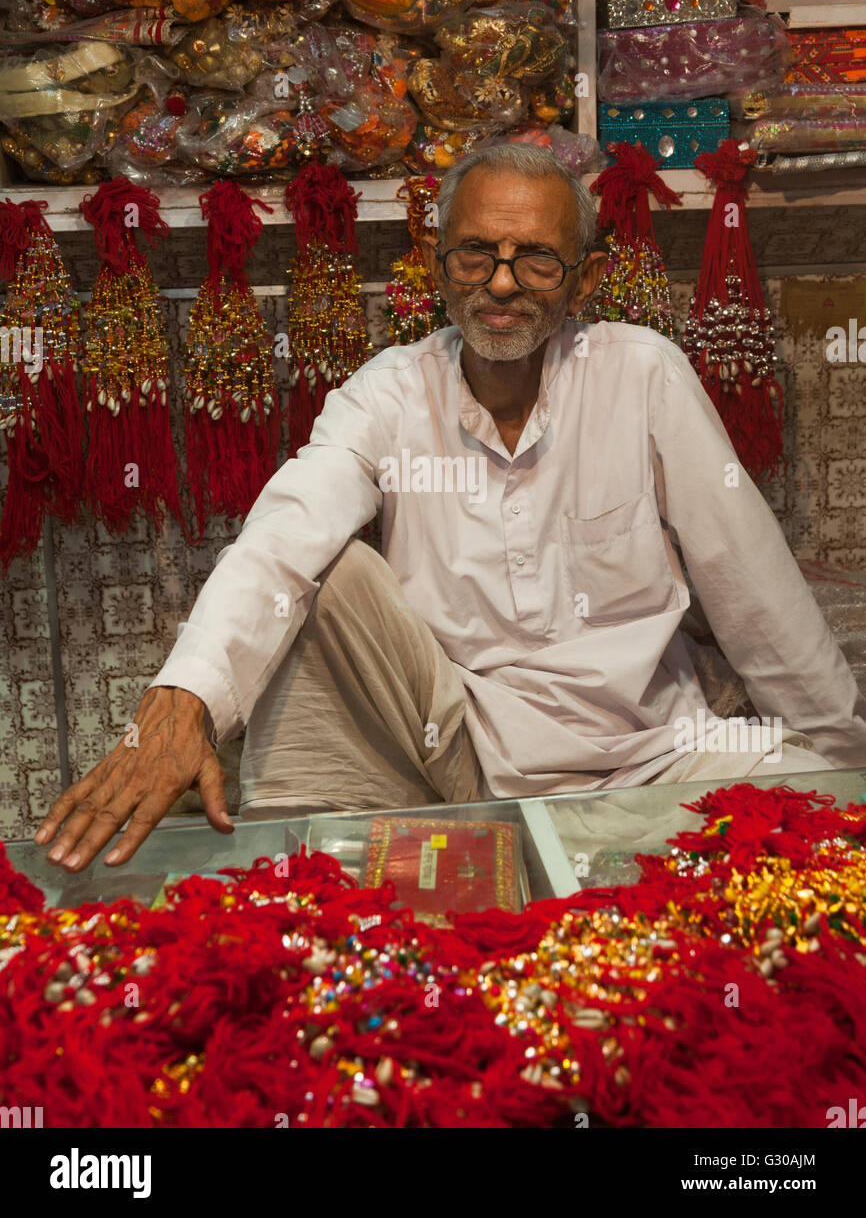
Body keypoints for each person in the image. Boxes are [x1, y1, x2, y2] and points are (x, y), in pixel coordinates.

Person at [36, 144, 866, 871]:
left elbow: (752, 582)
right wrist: (185, 700)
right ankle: (313, 869)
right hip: (453, 753)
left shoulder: (643, 375)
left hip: (653, 753)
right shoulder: (389, 393)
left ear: (586, 278)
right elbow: (282, 537)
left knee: (809, 831)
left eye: (537, 259)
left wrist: (836, 769)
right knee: (330, 573)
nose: (502, 285)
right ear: (438, 265)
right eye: (477, 254)